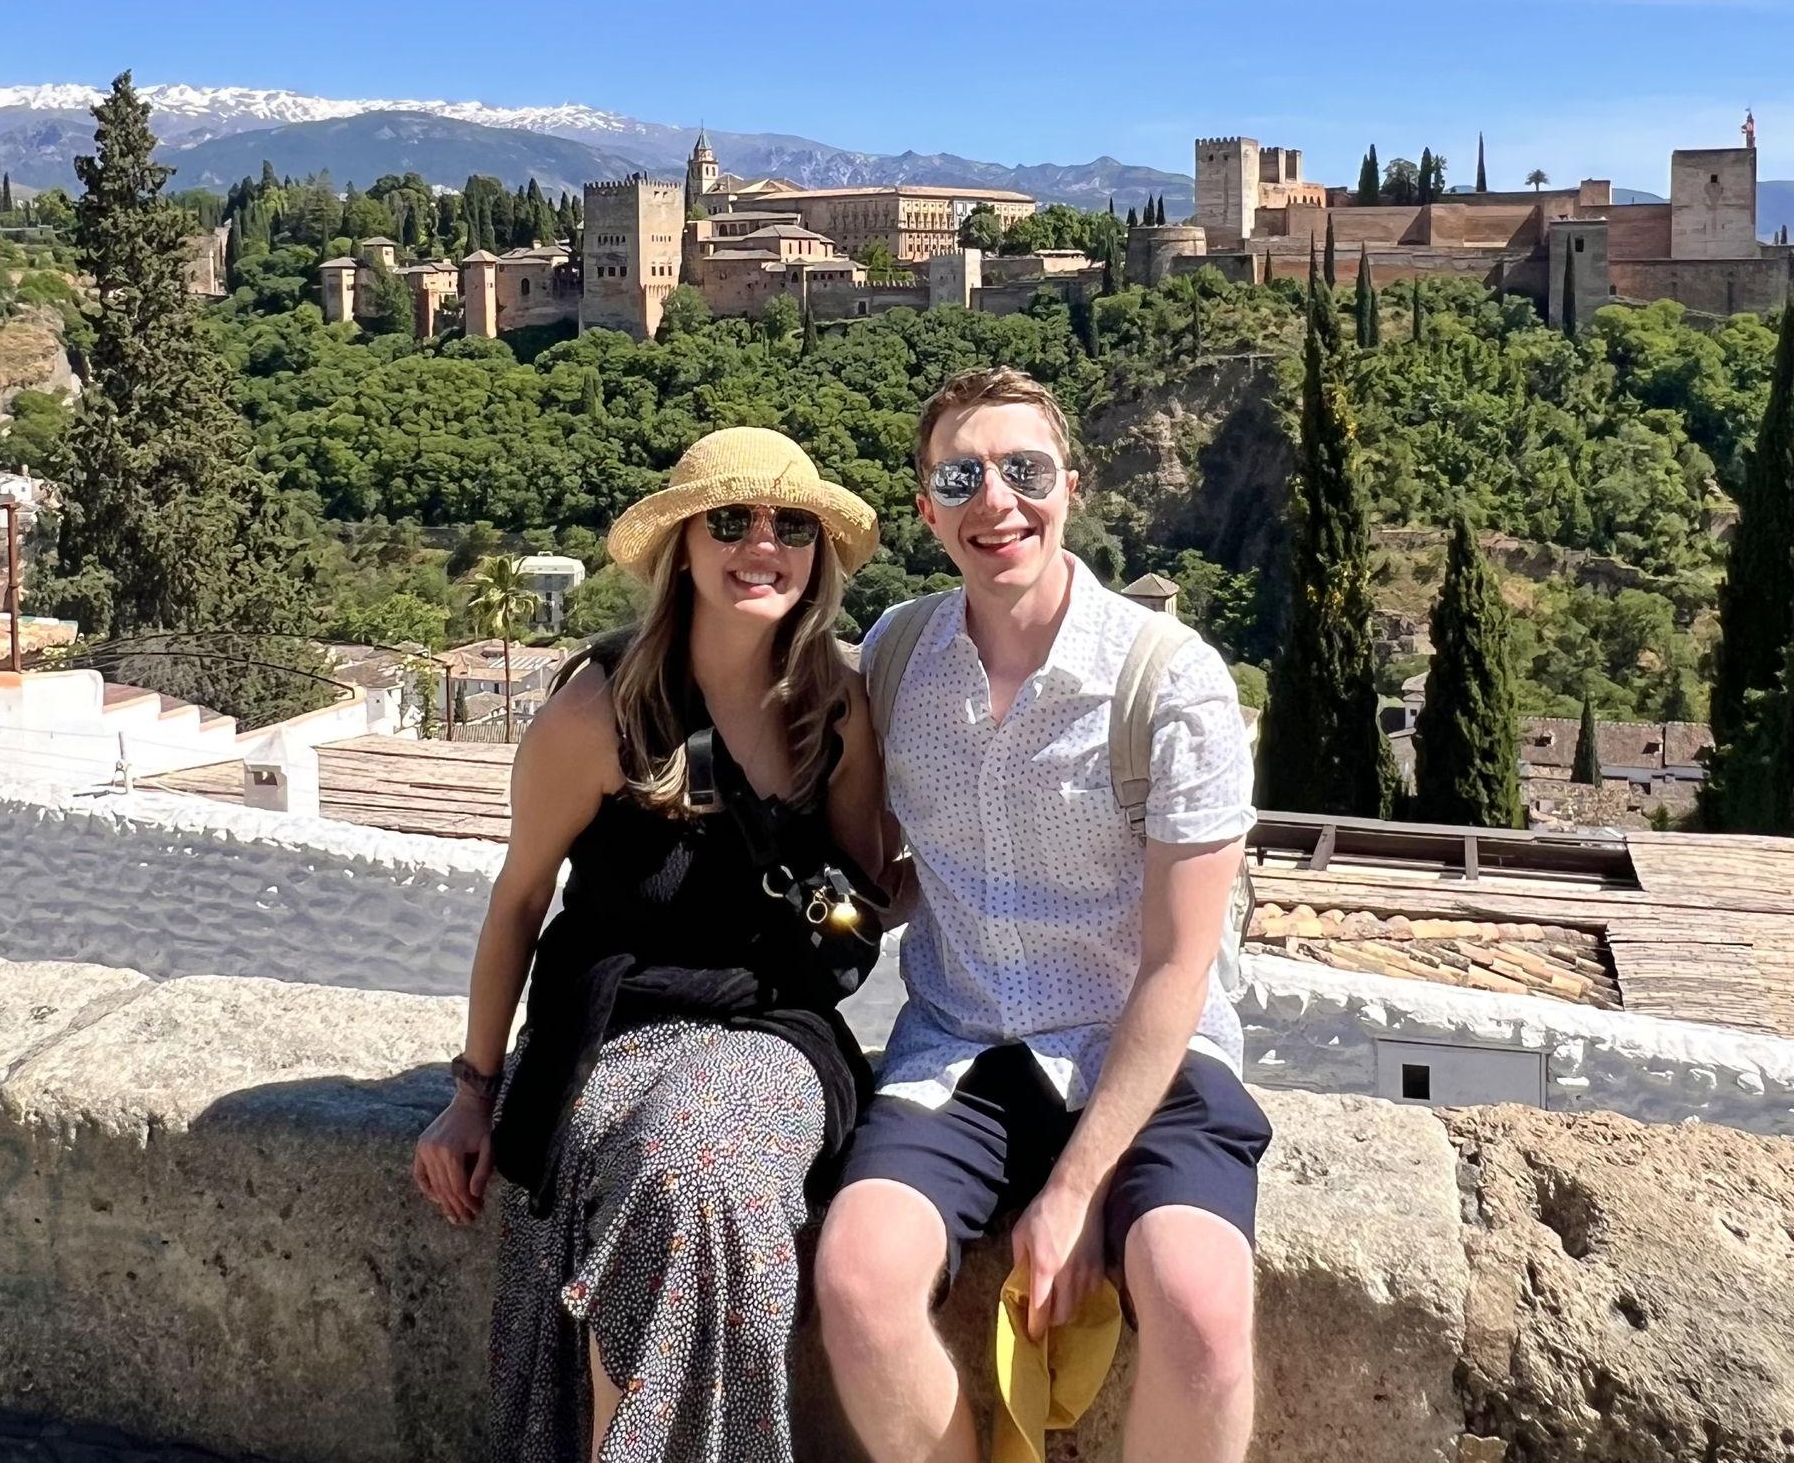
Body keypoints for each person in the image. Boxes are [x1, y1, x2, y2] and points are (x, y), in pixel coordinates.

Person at [815, 366, 1270, 1463]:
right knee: (855, 1280)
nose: (995, 501)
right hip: (959, 1048)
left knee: (1200, 1304)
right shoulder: (895, 658)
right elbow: (898, 863)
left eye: (1022, 469)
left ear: (1071, 482)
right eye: (960, 475)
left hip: (1144, 1055)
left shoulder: (1168, 682)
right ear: (927, 506)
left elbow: (1176, 964)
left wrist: (1074, 1191)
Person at [411, 427, 889, 1463]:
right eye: (730, 520)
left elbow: (864, 889)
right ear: (682, 545)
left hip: (773, 1034)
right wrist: (472, 1087)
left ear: (817, 552)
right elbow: (518, 901)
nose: (761, 544)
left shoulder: (836, 703)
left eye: (789, 525)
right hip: (611, 1033)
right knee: (663, 1171)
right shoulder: (596, 714)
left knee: (695, 1161)